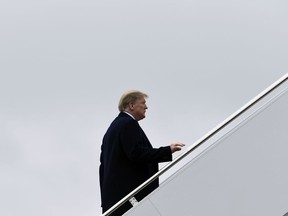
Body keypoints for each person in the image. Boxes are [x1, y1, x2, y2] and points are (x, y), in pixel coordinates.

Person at [99, 90, 185, 215]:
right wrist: (167, 150)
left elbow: (103, 167)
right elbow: (137, 154)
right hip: (130, 197)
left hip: (114, 199)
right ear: (132, 106)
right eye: (143, 103)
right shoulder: (128, 124)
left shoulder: (113, 128)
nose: (146, 107)